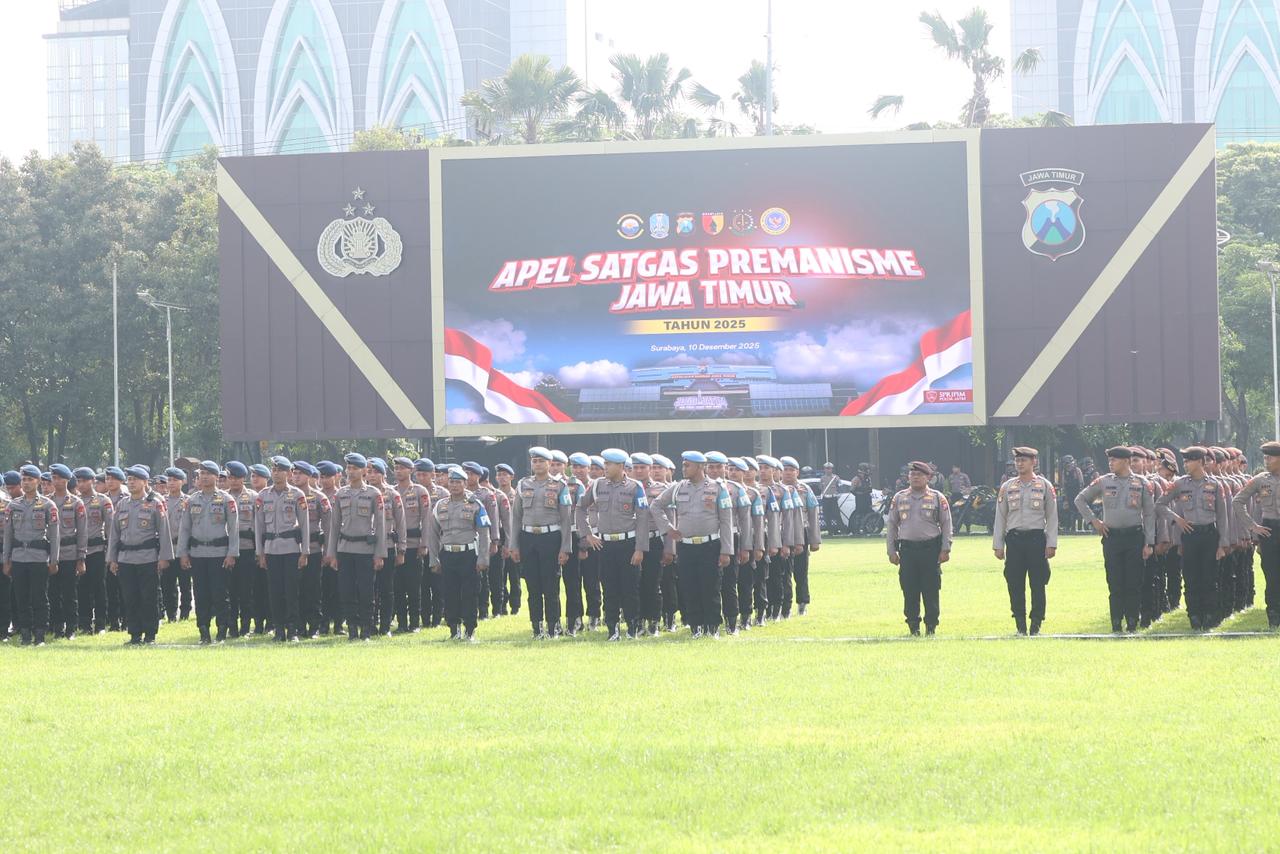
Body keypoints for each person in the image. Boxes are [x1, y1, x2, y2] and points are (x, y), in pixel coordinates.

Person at [1073, 446, 1155, 633]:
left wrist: (1149, 542)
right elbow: (1080, 499)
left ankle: (1132, 621)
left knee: (1134, 582)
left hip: (1135, 537)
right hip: (1112, 538)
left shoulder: (1142, 483)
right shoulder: (1104, 481)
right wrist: (1094, 521)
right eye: (1109, 460)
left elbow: (1149, 514)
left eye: (1114, 460)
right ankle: (1116, 622)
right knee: (1115, 582)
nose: (1110, 463)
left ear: (1126, 461)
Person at [653, 451, 734, 638]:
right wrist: (667, 528)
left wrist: (726, 550)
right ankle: (695, 626)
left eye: (687, 465)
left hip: (710, 545)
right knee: (689, 587)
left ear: (700, 467)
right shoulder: (678, 487)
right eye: (683, 465)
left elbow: (726, 521)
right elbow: (656, 505)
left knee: (710, 587)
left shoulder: (718, 488)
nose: (684, 468)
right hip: (686, 546)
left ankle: (712, 626)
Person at [575, 448, 650, 640]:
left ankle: (632, 628)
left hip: (628, 544)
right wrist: (587, 534)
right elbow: (580, 508)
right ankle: (612, 629)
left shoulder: (635, 487)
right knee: (609, 588)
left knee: (630, 588)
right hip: (605, 545)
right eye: (605, 463)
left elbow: (643, 519)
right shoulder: (598, 485)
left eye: (608, 464)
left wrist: (640, 548)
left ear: (621, 466)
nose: (605, 467)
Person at [1156, 447, 1229, 631]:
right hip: (1189, 536)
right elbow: (1160, 505)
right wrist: (1177, 519)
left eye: (1189, 461)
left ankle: (1209, 615)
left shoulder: (1215, 485)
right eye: (1185, 461)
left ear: (1200, 462)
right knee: (1191, 577)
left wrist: (1222, 544)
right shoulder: (1180, 484)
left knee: (1209, 577)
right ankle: (1194, 616)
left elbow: (1222, 517)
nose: (1185, 464)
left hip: (1209, 535)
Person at [991, 447, 1057, 635]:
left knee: (1038, 583)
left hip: (1037, 540)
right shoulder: (1007, 487)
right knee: (1014, 583)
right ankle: (1020, 625)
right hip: (1015, 541)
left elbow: (1052, 516)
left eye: (1024, 460)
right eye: (1017, 461)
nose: (1019, 464)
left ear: (1033, 462)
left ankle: (1036, 624)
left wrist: (1051, 543)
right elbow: (1000, 517)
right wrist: (998, 545)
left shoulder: (1044, 486)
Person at [509, 447, 572, 639]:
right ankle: (537, 627)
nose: (537, 464)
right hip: (528, 538)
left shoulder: (560, 485)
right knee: (533, 586)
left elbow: (566, 519)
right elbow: (516, 517)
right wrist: (514, 545)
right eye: (534, 461)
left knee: (550, 585)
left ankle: (553, 627)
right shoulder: (523, 484)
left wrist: (565, 548)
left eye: (541, 461)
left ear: (549, 463)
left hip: (550, 538)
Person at [106, 465, 174, 645]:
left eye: (135, 479)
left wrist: (164, 557)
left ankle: (150, 634)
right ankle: (134, 634)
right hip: (126, 558)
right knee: (130, 597)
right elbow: (114, 534)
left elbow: (164, 531)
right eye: (129, 479)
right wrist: (112, 559)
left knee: (148, 597)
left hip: (147, 557)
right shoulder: (122, 504)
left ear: (144, 482)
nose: (131, 483)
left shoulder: (155, 503)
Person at [324, 453, 387, 642]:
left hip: (365, 550)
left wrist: (379, 554)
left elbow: (381, 525)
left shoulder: (374, 494)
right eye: (348, 468)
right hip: (344, 549)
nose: (350, 472)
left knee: (366, 592)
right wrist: (332, 553)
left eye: (355, 468)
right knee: (346, 591)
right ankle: (352, 629)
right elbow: (334, 525)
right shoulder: (340, 494)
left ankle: (366, 629)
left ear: (364, 471)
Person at [886, 461, 952, 636]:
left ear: (928, 477)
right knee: (909, 589)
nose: (915, 477)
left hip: (930, 550)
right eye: (912, 474)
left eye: (919, 475)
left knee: (931, 589)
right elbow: (892, 525)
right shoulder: (899, 497)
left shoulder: (937, 497)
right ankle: (913, 626)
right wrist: (891, 550)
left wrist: (945, 548)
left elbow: (946, 524)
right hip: (907, 550)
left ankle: (931, 626)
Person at [426, 465, 491, 641]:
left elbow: (484, 533)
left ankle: (470, 630)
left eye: (458, 482)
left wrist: (483, 558)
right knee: (450, 593)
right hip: (447, 555)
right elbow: (433, 534)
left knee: (470, 593)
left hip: (468, 554)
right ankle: (454, 630)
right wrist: (434, 559)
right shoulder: (440, 505)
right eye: (452, 482)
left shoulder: (475, 504)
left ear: (465, 483)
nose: (454, 485)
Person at [177, 460, 239, 644]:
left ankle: (222, 630)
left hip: (219, 554)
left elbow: (234, 528)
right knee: (200, 594)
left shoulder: (226, 499)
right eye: (201, 474)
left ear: (216, 476)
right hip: (197, 554)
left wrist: (232, 553)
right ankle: (203, 630)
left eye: (207, 474)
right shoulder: (191, 500)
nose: (203, 477)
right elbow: (184, 529)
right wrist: (182, 553)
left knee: (220, 594)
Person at [2, 464, 61, 646]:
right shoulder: (13, 505)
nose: (26, 483)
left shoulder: (47, 505)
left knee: (39, 598)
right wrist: (6, 560)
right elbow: (8, 535)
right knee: (21, 598)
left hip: (38, 558)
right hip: (18, 557)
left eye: (30, 479)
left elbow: (55, 535)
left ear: (38, 481)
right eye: (24, 479)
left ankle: (40, 635)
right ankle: (26, 634)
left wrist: (54, 560)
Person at [255, 456, 310, 643]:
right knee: (275, 591)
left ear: (288, 473)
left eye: (280, 470)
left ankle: (292, 629)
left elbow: (304, 525)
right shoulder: (263, 495)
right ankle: (279, 629)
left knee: (291, 591)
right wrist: (260, 553)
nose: (276, 473)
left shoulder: (297, 495)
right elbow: (259, 526)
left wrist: (305, 552)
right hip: (271, 549)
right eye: (274, 469)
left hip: (291, 549)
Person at [1232, 442, 1280, 629]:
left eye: (1270, 457)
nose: (1266, 461)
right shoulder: (1260, 480)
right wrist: (1252, 526)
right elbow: (1238, 501)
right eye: (1265, 457)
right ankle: (1274, 616)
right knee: (1272, 576)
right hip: (1269, 530)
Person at [366, 457, 405, 638]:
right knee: (368, 588)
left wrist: (401, 549)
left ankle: (385, 625)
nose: (371, 475)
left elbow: (401, 523)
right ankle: (370, 624)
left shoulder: (392, 494)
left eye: (375, 472)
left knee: (386, 589)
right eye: (369, 472)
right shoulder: (363, 492)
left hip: (388, 545)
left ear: (382, 474)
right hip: (366, 547)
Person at [48, 464, 86, 640]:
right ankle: (57, 627)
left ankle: (71, 627)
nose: (55, 481)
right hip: (50, 554)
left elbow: (82, 532)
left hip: (69, 552)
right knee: (53, 592)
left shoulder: (76, 503)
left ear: (66, 480)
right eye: (53, 478)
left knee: (69, 593)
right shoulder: (46, 502)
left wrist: (81, 557)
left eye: (58, 478)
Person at [392, 457, 429, 634]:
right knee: (397, 587)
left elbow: (426, 519)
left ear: (411, 470)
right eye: (396, 468)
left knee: (414, 587)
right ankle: (401, 623)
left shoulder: (420, 491)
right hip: (394, 545)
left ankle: (414, 623)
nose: (398, 471)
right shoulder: (391, 491)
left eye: (402, 468)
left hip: (414, 545)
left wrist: (424, 543)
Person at [781, 456, 821, 616]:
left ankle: (802, 603)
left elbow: (813, 514)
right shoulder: (776, 489)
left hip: (801, 532)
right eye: (785, 470)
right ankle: (785, 605)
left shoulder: (805, 490)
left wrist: (815, 540)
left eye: (791, 470)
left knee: (801, 571)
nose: (788, 473)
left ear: (797, 472)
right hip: (781, 533)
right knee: (783, 572)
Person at [74, 466, 111, 635]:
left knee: (99, 587)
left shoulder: (102, 500)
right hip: (79, 551)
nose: (81, 484)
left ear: (92, 481)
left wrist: (110, 553)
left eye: (84, 481)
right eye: (78, 481)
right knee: (82, 588)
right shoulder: (74, 501)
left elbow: (110, 528)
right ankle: (85, 623)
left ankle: (101, 623)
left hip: (97, 550)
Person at [225, 461, 257, 637]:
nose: (234, 481)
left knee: (246, 590)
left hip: (247, 549)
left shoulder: (253, 497)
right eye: (231, 477)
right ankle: (232, 626)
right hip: (227, 550)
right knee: (230, 590)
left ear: (243, 478)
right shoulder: (222, 497)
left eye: (237, 478)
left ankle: (245, 626)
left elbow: (259, 525)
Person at [161, 467, 189, 623]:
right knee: (168, 583)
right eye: (169, 480)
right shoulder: (161, 501)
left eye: (175, 480)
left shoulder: (188, 501)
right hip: (167, 548)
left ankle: (185, 613)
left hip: (183, 548)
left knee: (185, 583)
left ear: (182, 482)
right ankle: (171, 614)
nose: (171, 483)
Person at [817, 462, 841, 537]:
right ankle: (830, 531)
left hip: (833, 498)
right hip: (825, 498)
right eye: (826, 468)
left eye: (829, 468)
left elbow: (840, 486)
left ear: (832, 469)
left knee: (836, 515)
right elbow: (820, 488)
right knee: (827, 516)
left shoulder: (835, 477)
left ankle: (841, 529)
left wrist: (837, 492)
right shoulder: (822, 478)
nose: (828, 470)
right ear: (824, 469)